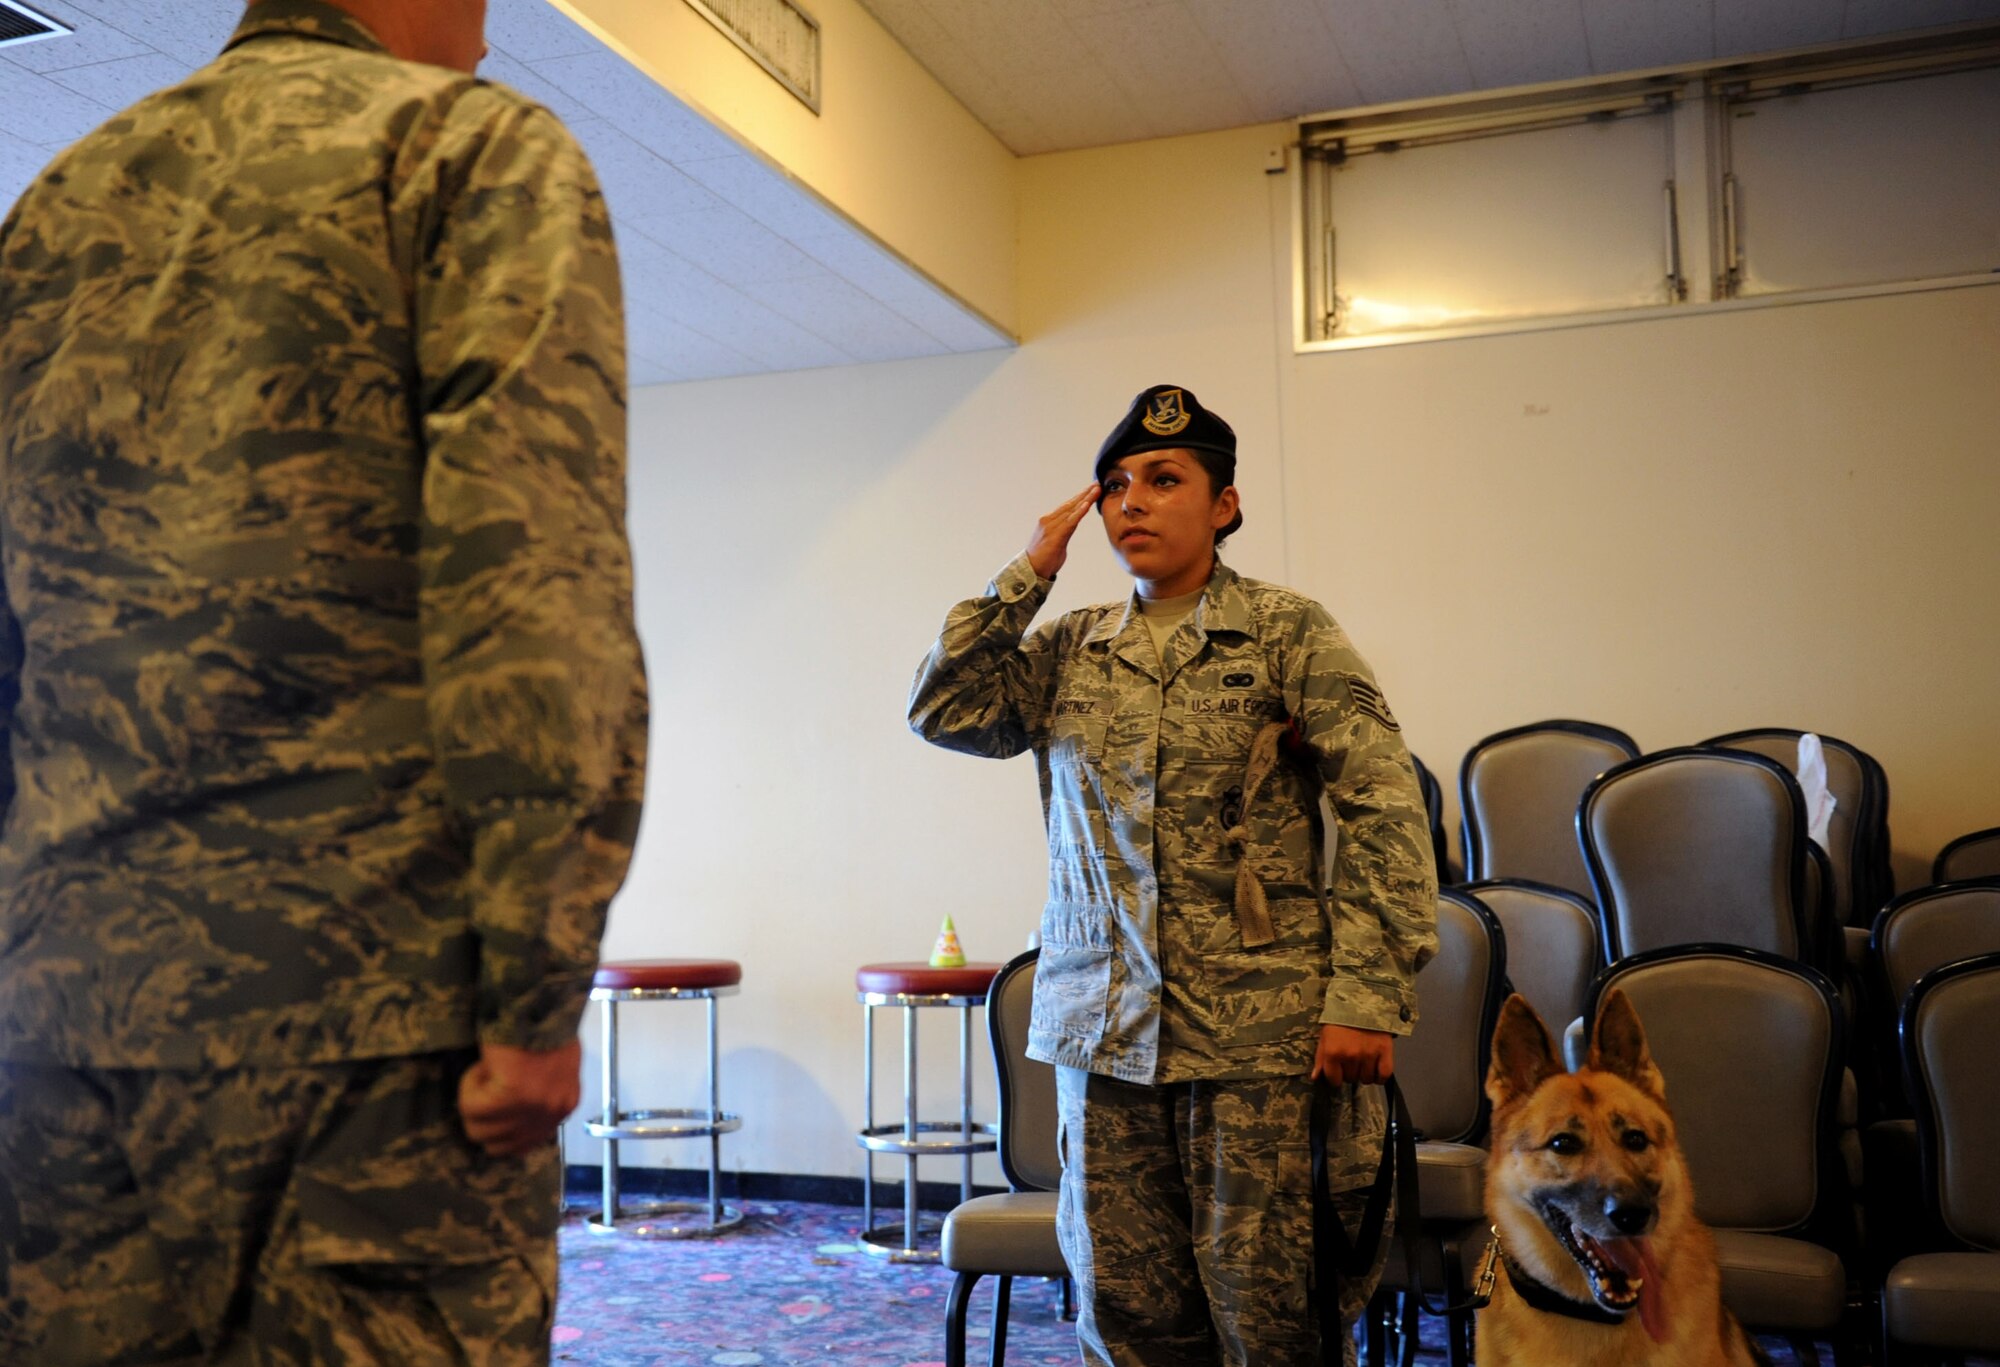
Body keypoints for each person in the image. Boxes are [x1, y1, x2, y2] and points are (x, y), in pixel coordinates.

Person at [0, 0, 647, 1361]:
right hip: (372, 1033)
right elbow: (529, 593)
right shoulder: (465, 151)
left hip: (68, 1029)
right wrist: (535, 996)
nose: (480, 36)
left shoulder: (59, 204)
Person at [909, 384, 1438, 1366]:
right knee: (1125, 1319)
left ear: (1223, 505)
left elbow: (1382, 802)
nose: (1132, 502)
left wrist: (1366, 990)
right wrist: (1028, 568)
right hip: (1103, 1039)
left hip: (1258, 1041)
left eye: (1163, 478)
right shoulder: (1068, 648)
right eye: (1114, 485)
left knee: (1274, 1315)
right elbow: (943, 708)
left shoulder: (1287, 632)